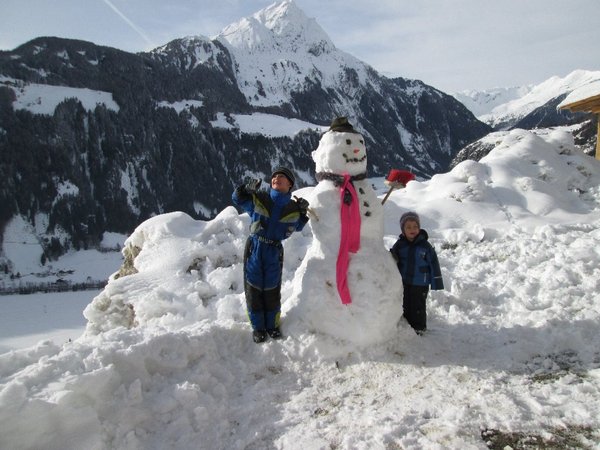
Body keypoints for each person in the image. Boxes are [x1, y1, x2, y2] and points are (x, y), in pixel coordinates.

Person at [232, 167, 310, 343]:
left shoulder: (293, 209)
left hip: (274, 251)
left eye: (281, 177)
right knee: (253, 288)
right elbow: (237, 198)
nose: (276, 179)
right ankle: (258, 328)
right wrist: (245, 189)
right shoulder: (259, 198)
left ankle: (272, 326)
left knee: (271, 289)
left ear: (290, 184)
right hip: (255, 248)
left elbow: (297, 227)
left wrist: (303, 212)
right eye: (274, 177)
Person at [390, 211, 444, 334]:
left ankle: (419, 327)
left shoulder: (425, 245)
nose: (412, 229)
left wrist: (437, 282)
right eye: (408, 227)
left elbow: (433, 263)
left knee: (418, 305)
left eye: (415, 226)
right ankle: (407, 325)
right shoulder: (400, 244)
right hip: (404, 281)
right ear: (403, 230)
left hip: (421, 282)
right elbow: (393, 256)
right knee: (406, 303)